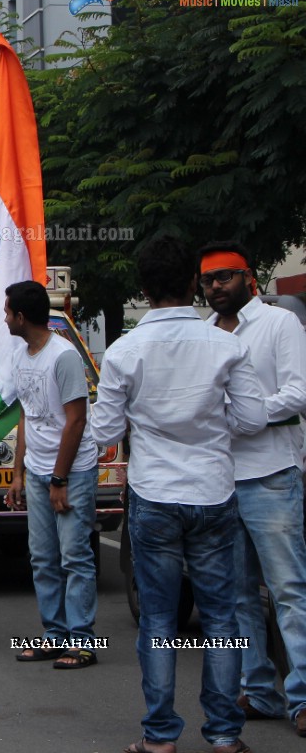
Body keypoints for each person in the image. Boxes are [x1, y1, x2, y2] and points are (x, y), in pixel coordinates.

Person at [91, 236, 266, 753]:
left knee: (161, 619)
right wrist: (213, 424)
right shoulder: (227, 345)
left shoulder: (124, 351)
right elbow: (253, 418)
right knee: (221, 618)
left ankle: (161, 736)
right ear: (193, 282)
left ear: (143, 290)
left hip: (155, 495)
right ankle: (225, 735)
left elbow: (103, 433)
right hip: (214, 490)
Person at [200, 240, 306, 737]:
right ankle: (259, 691)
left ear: (250, 279)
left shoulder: (279, 324)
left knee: (289, 591)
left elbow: (297, 392)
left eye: (224, 276)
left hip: (271, 476)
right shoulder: (202, 333)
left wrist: (241, 419)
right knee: (238, 597)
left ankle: (302, 697)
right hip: (220, 482)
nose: (215, 286)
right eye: (207, 280)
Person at [3, 280, 101, 669]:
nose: (5, 317)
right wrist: (18, 473)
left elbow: (75, 421)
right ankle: (53, 635)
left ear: (22, 317)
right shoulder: (21, 356)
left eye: (8, 311)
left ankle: (82, 640)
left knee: (74, 555)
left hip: (72, 473)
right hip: (39, 470)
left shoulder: (63, 357)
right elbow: (26, 415)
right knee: (43, 557)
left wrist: (60, 480)